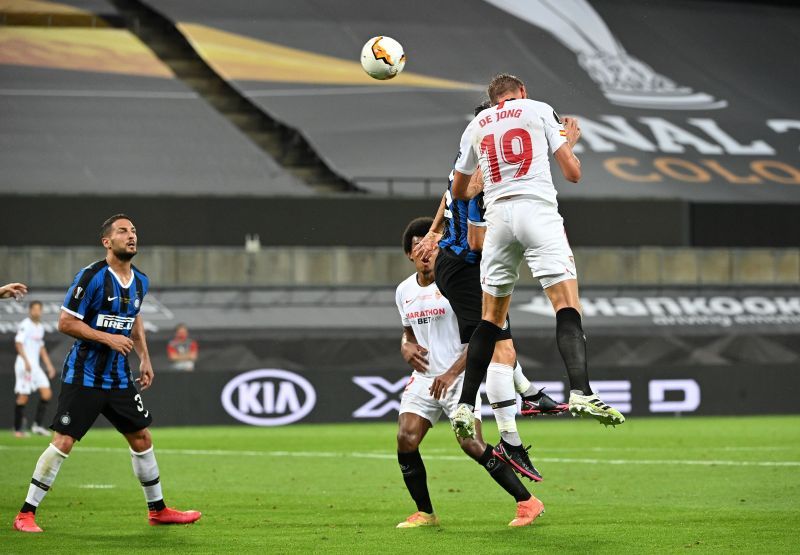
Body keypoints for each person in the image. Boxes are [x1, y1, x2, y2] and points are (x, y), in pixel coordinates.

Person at [448, 74, 625, 439]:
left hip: (498, 220)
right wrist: (569, 142)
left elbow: (459, 190)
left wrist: (483, 180)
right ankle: (581, 391)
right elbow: (572, 173)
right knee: (566, 303)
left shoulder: (477, 125)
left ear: (494, 100)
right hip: (537, 213)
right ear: (522, 92)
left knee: (491, 319)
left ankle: (466, 403)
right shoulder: (539, 110)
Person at [13, 214, 201, 533]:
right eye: (123, 231)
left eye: (134, 231)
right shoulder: (91, 277)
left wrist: (144, 358)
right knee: (64, 441)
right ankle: (26, 514)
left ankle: (158, 510)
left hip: (118, 379)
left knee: (142, 437)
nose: (131, 236)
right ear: (107, 241)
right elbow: (65, 322)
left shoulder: (140, 280)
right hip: (84, 376)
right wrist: (108, 338)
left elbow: (134, 319)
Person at [413, 101, 568, 479]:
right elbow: (476, 241)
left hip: (460, 266)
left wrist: (434, 230)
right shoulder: (488, 177)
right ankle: (510, 442)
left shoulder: (470, 162)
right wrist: (510, 244)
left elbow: (449, 195)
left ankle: (529, 394)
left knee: (504, 345)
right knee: (501, 350)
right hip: (465, 268)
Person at [394, 217, 544, 529]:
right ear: (409, 254)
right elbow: (408, 332)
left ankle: (527, 502)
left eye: (430, 245)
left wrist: (450, 374)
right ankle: (426, 514)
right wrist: (405, 346)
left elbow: (480, 337)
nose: (424, 251)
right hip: (424, 379)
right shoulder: (404, 291)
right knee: (406, 439)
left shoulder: (455, 285)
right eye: (417, 247)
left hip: (458, 376)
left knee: (471, 443)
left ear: (440, 247)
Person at [13, 301, 57, 437]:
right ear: (30, 311)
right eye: (34, 309)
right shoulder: (25, 325)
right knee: (23, 397)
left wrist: (49, 366)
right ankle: (18, 430)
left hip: (36, 367)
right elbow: (18, 343)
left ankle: (37, 426)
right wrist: (26, 361)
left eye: (39, 309)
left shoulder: (40, 327)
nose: (37, 312)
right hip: (24, 365)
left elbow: (41, 348)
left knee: (47, 394)